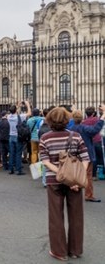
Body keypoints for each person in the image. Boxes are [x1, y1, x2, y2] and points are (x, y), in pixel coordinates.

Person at [39, 107, 91, 261]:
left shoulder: (45, 138)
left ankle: (59, 251)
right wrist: (75, 179)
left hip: (54, 180)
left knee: (56, 216)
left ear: (49, 121)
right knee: (76, 215)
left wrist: (62, 175)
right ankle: (75, 250)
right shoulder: (76, 136)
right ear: (67, 120)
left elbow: (46, 162)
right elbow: (86, 159)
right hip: (74, 182)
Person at [70, 108, 104, 202]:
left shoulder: (71, 129)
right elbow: (95, 129)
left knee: (75, 174)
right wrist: (102, 118)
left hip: (74, 154)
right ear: (82, 118)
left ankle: (73, 192)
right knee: (88, 176)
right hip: (86, 154)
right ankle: (88, 195)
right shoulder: (83, 128)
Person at [7, 101, 31, 175]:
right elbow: (29, 113)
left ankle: (11, 169)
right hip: (17, 136)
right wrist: (28, 105)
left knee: (11, 153)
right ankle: (19, 170)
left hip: (11, 136)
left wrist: (18, 106)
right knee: (18, 153)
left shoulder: (8, 117)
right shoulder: (20, 116)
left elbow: (14, 111)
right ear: (16, 110)